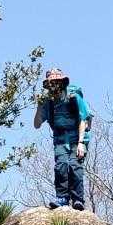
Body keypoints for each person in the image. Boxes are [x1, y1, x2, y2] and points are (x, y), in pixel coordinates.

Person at [34, 67, 91, 210]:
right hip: (60, 139)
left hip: (77, 136)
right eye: (51, 83)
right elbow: (37, 124)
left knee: (75, 166)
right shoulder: (48, 102)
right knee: (61, 166)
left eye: (57, 81)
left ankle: (78, 199)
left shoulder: (72, 96)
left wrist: (81, 143)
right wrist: (39, 107)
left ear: (62, 82)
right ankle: (62, 197)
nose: (55, 85)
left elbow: (83, 119)